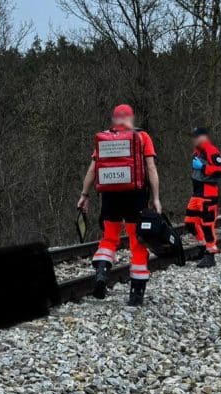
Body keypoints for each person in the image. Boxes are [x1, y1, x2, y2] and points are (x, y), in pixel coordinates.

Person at [77, 104, 162, 306]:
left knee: (109, 238)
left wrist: (84, 195)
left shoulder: (105, 138)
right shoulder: (142, 137)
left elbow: (92, 170)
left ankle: (101, 271)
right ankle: (136, 293)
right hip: (136, 197)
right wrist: (156, 198)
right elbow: (151, 168)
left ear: (114, 119)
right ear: (131, 118)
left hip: (110, 197)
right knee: (137, 242)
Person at [184, 127, 221, 268]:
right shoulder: (197, 151)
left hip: (208, 194)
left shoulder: (211, 150)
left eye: (196, 136)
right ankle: (203, 249)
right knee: (190, 222)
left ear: (204, 137)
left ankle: (210, 255)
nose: (194, 139)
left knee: (207, 225)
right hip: (197, 193)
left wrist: (202, 167)